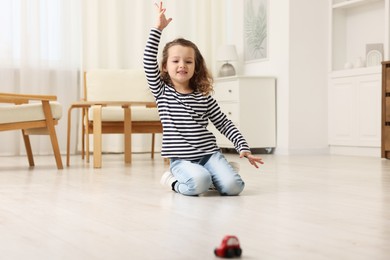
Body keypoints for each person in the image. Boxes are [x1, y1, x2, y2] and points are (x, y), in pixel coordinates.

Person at [143, 2, 264, 196]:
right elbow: (148, 60)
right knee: (199, 183)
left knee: (234, 187)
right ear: (165, 66)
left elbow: (224, 123)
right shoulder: (162, 91)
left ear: (195, 67)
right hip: (181, 161)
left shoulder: (203, 98)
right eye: (175, 61)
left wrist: (242, 146)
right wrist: (157, 29)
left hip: (209, 155)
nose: (182, 65)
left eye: (188, 61)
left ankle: (217, 172)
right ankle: (173, 181)